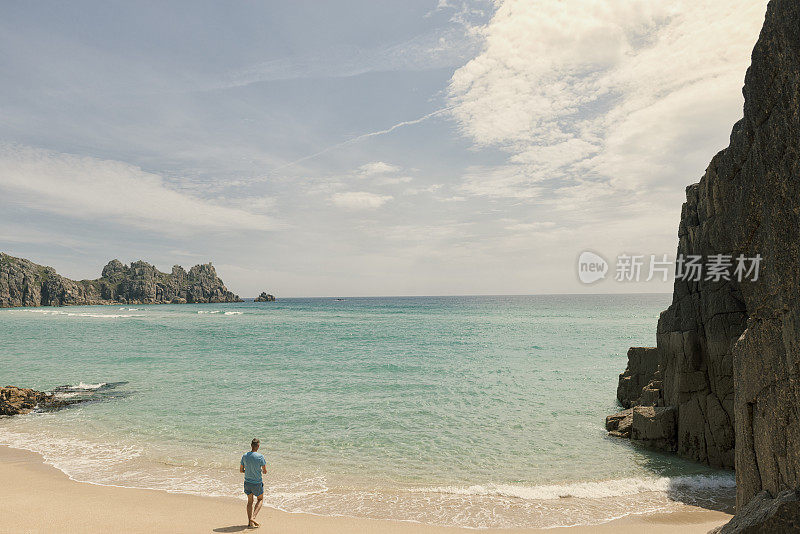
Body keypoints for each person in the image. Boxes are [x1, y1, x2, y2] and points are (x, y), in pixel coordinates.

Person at [239, 438, 267, 528]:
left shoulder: (245, 456)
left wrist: (247, 471)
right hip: (257, 483)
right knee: (260, 499)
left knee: (250, 502)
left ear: (251, 445)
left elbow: (241, 470)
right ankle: (253, 517)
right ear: (258, 446)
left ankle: (250, 522)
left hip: (247, 482)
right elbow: (265, 471)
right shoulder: (260, 457)